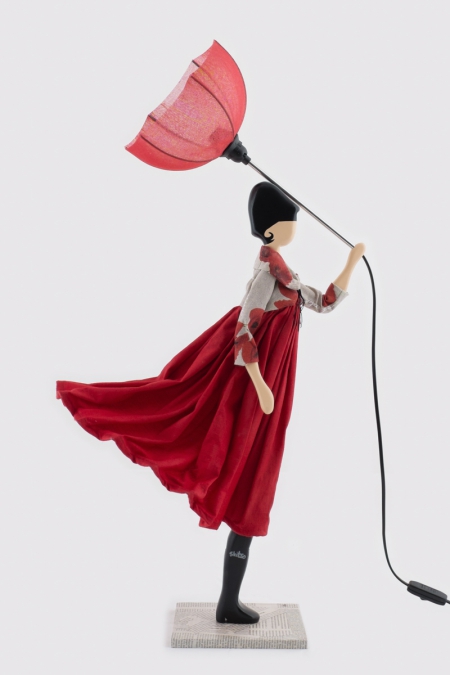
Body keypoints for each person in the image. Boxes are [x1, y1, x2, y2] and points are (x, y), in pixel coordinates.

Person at [57, 182, 365, 624]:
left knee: (256, 480)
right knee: (248, 477)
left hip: (275, 388)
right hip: (255, 390)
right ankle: (228, 602)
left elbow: (324, 303)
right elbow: (243, 332)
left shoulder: (287, 275)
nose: (295, 227)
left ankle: (228, 601)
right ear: (271, 231)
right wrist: (260, 385)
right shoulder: (267, 275)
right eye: (289, 221)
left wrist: (351, 263)